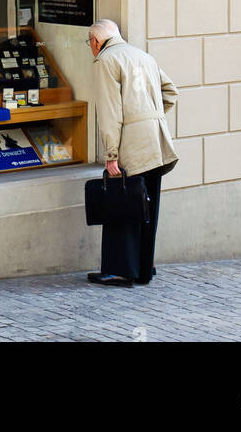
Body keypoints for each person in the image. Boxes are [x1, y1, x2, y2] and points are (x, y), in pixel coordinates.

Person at [87, 19, 178, 288]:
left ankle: (119, 270)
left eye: (89, 43)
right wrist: (151, 117)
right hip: (156, 143)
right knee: (147, 205)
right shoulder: (143, 56)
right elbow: (171, 93)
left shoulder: (106, 60)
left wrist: (111, 154)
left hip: (131, 144)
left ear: (95, 41)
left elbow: (110, 112)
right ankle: (144, 268)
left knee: (122, 203)